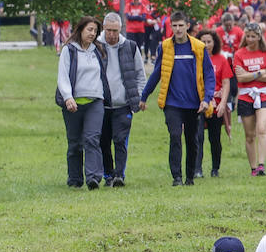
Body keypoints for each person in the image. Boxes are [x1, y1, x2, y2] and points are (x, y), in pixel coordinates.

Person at [142, 13, 215, 186]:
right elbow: (157, 73)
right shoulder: (165, 47)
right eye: (174, 26)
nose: (178, 29)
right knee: (175, 135)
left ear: (187, 26)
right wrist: (144, 96)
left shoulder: (198, 47)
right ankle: (176, 177)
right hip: (172, 103)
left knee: (192, 139)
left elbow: (209, 75)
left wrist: (207, 99)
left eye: (181, 25)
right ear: (171, 27)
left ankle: (189, 176)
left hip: (193, 103)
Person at [55, 16, 110, 189]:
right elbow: (63, 76)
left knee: (92, 138)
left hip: (95, 101)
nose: (92, 34)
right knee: (75, 143)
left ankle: (93, 177)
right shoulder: (69, 50)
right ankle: (75, 179)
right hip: (73, 103)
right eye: (89, 30)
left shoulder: (97, 51)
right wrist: (68, 97)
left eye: (95, 31)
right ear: (80, 30)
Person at [97, 13, 146, 187]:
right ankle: (108, 174)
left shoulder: (130, 47)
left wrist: (139, 96)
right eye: (108, 30)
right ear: (103, 29)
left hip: (123, 104)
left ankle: (119, 174)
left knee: (120, 139)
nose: (111, 34)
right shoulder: (96, 46)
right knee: (103, 141)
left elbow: (140, 74)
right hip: (101, 104)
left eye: (115, 31)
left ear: (120, 29)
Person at [232, 23, 266, 177]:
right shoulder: (239, 54)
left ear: (259, 37)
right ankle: (253, 168)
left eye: (253, 36)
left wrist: (250, 74)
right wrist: (260, 72)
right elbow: (240, 77)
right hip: (246, 96)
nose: (250, 39)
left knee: (262, 129)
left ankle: (261, 165)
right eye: (248, 36)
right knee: (250, 135)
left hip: (264, 94)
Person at [194, 29, 234, 177]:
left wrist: (223, 103)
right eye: (203, 41)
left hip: (216, 105)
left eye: (209, 41)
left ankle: (215, 168)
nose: (206, 44)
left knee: (214, 138)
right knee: (198, 137)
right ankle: (197, 169)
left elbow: (226, 83)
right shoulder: (195, 58)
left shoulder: (221, 59)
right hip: (198, 104)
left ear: (214, 43)